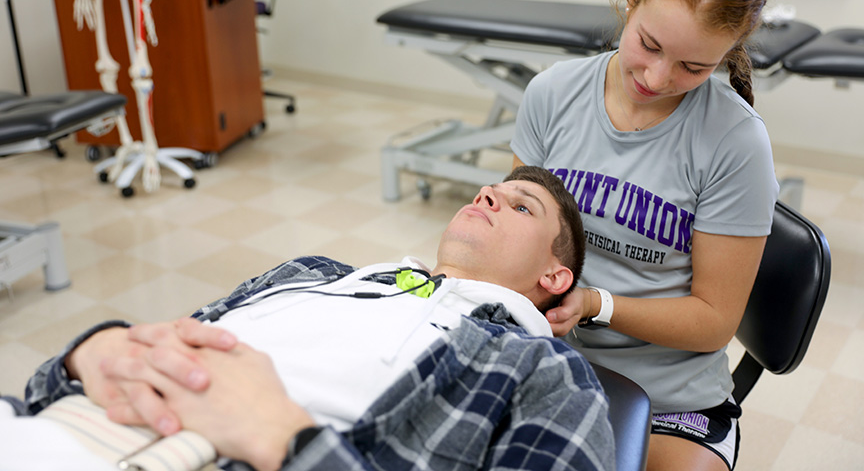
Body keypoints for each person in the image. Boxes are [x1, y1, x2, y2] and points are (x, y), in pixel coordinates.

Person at [6, 166, 615, 471]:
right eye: (490, 190)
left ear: (554, 279)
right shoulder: (310, 272)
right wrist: (85, 357)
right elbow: (45, 390)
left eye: (521, 205)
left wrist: (284, 439)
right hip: (61, 427)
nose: (488, 195)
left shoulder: (542, 372)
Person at [511, 0, 779, 471]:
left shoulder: (735, 142)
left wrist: (595, 305)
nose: (657, 78)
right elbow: (517, 238)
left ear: (726, 56)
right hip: (548, 358)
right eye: (649, 46)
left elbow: (712, 321)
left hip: (672, 401)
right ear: (632, 1)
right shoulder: (554, 92)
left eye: (694, 67)